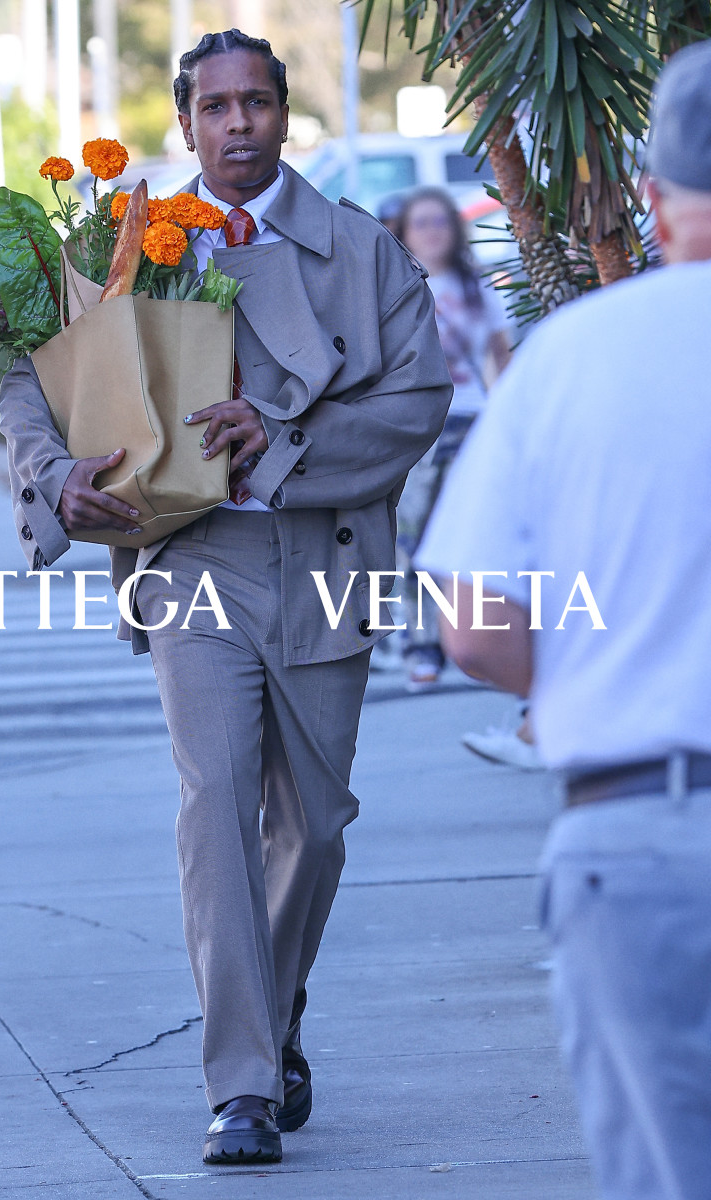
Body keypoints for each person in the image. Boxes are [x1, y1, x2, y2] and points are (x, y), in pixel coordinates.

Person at [0, 30, 452, 1167]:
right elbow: (27, 374)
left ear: (285, 115)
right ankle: (241, 1083)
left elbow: (419, 397)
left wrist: (286, 437)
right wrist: (59, 481)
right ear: (187, 123)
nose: (238, 122)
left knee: (316, 826)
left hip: (325, 554)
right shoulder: (121, 243)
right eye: (216, 106)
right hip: (190, 560)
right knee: (215, 806)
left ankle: (274, 1004)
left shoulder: (359, 250)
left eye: (258, 102)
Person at [415, 41, 711, 1200]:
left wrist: (600, 674)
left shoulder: (571, 357)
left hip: (637, 837)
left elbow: (474, 627)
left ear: (652, 200)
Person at [379, 186, 510, 690]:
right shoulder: (393, 289)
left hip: (473, 424)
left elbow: (500, 360)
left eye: (441, 221)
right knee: (412, 539)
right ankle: (421, 642)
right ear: (405, 233)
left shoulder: (481, 289)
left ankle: (472, 641)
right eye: (422, 223)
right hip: (415, 429)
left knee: (467, 536)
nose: (433, 231)